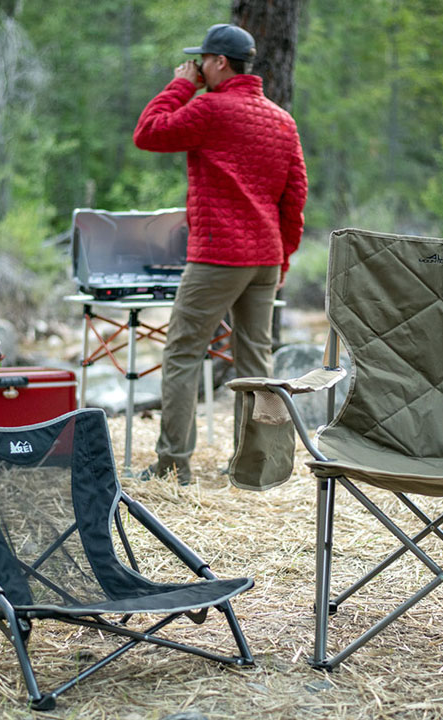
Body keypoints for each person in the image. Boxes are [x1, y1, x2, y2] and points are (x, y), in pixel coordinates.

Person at [133, 23, 308, 485]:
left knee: (183, 353)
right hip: (265, 258)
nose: (197, 67)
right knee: (258, 365)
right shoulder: (281, 121)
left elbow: (148, 132)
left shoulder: (208, 107)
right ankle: (257, 471)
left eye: (201, 61)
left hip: (218, 257)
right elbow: (295, 199)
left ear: (219, 63)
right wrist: (283, 258)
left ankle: (174, 466)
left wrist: (181, 85)